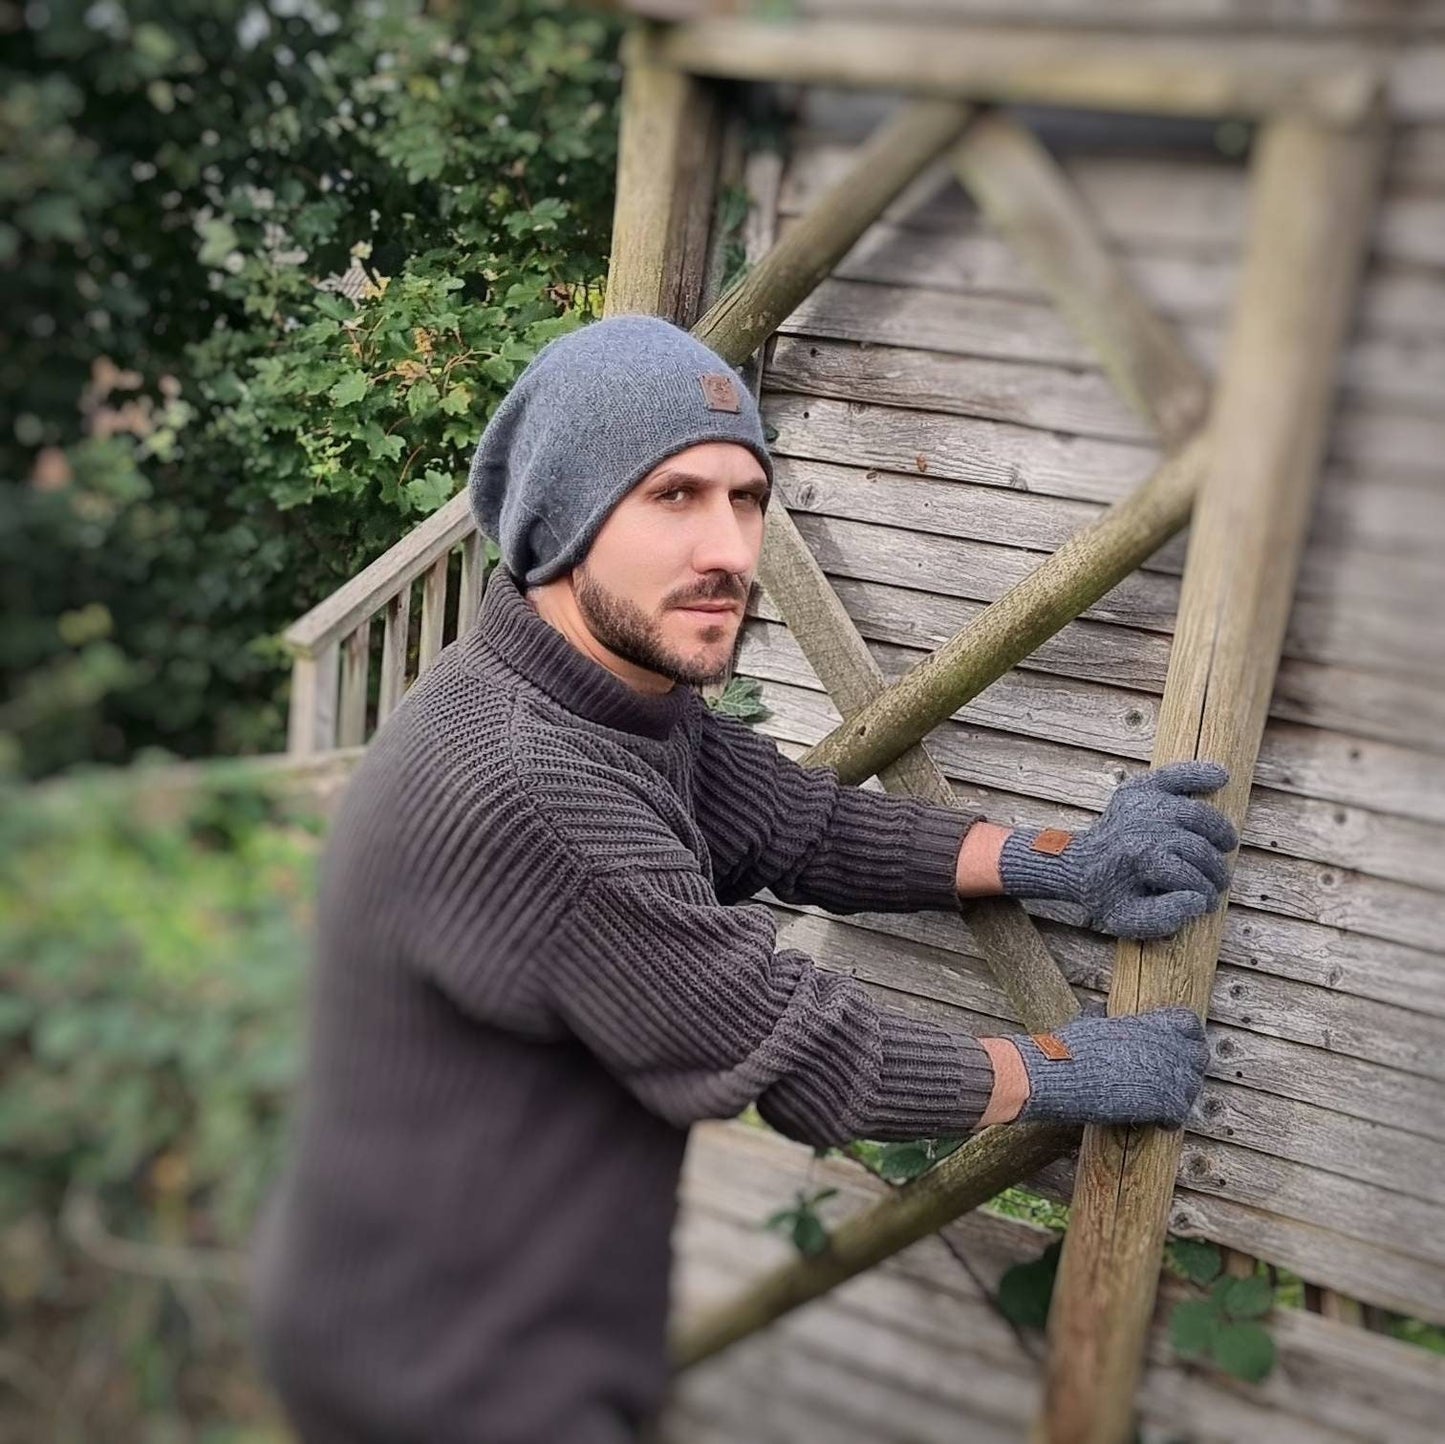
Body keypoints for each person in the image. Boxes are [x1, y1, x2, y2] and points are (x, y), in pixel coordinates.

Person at [248, 315, 1237, 1443]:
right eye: (672, 496)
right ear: (563, 519)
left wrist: (1059, 861)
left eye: (746, 498)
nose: (727, 547)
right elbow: (818, 1059)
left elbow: (795, 826)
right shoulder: (532, 788)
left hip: (499, 1302)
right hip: (447, 1368)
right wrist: (1068, 1067)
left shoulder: (596, 695)